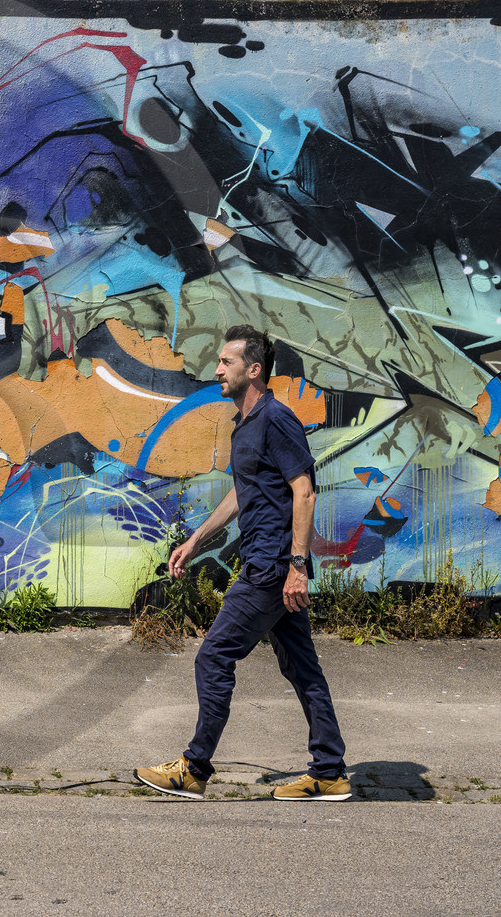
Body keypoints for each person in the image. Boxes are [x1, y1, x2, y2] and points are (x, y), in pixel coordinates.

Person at [134, 325, 350, 801]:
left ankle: (194, 768)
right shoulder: (245, 424)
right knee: (302, 669)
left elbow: (304, 491)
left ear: (253, 370)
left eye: (225, 362)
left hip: (271, 567)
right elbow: (241, 493)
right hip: (271, 564)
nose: (216, 370)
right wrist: (195, 542)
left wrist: (297, 566)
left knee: (214, 656)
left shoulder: (276, 419)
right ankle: (330, 771)